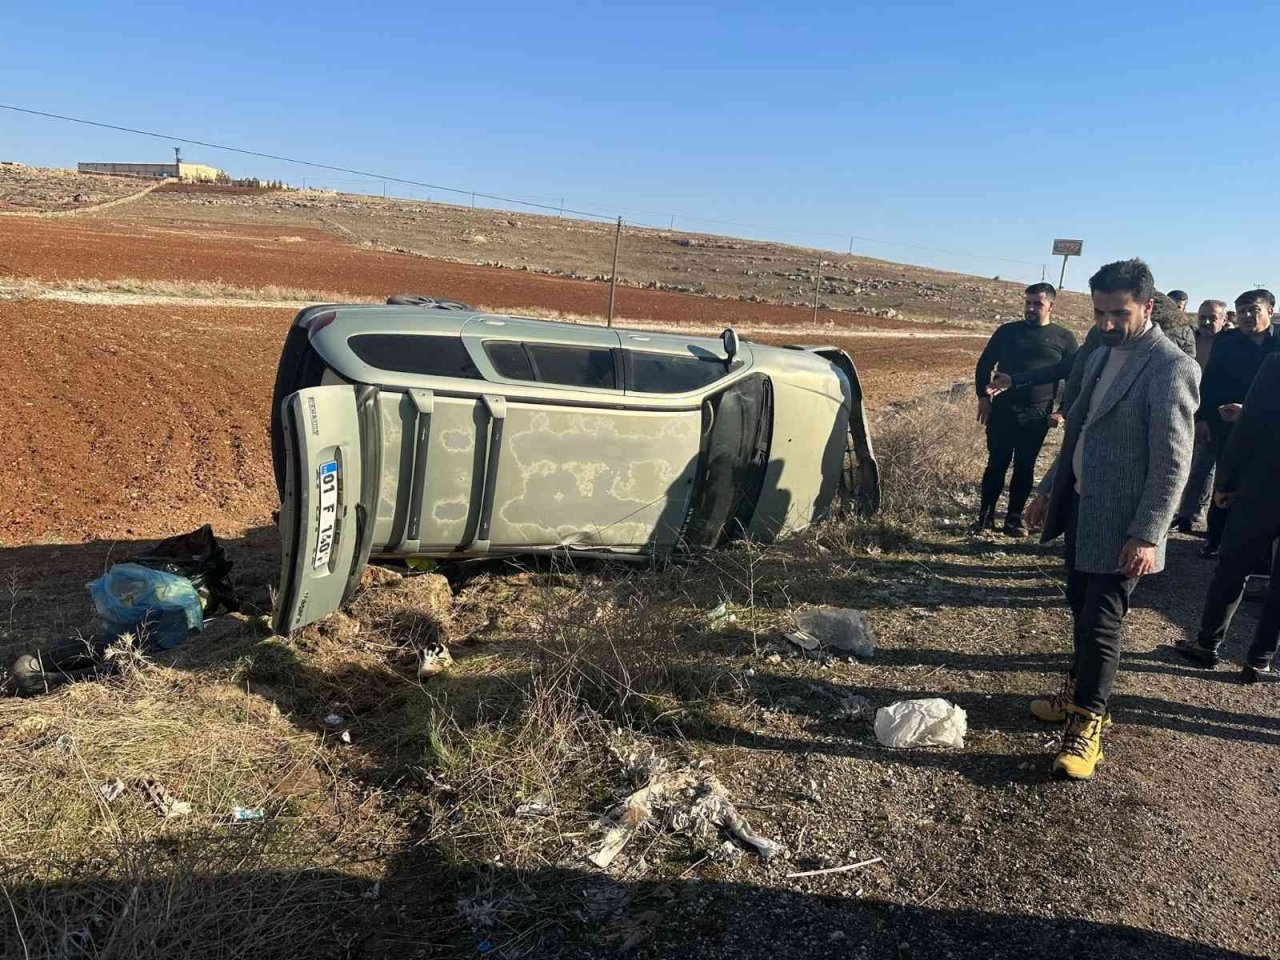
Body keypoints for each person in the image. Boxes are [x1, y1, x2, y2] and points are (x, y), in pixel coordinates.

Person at [1024, 258, 1198, 780]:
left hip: (1125, 525)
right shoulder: (1101, 352)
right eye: (1099, 312)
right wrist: (1047, 490)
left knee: (1101, 623)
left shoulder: (1170, 367)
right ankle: (1078, 691)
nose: (1106, 323)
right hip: (1081, 506)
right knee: (1079, 606)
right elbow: (1076, 430)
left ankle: (1087, 725)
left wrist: (1148, 533)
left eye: (1118, 313)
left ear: (1148, 307)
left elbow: (1173, 461)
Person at [1175, 354, 1280, 682]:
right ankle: (1259, 660)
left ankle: (1208, 644)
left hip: (1262, 488)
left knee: (1233, 568)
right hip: (1262, 486)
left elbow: (1250, 425)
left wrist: (1228, 481)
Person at [972, 283, 1078, 535]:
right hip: (1002, 410)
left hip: (1037, 413)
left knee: (1025, 466)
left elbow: (1075, 377)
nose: (1030, 308)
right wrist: (983, 398)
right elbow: (984, 364)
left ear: (1051, 306)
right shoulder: (1007, 332)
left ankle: (1014, 518)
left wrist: (1062, 411)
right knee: (996, 463)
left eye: (1037, 304)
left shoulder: (1064, 338)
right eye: (1028, 303)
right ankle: (985, 518)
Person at [1194, 289, 1280, 558]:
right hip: (1227, 427)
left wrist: (1252, 410)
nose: (1245, 316)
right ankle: (1215, 540)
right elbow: (1210, 381)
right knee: (1225, 481)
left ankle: (1259, 549)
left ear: (1270, 311)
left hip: (1271, 430)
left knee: (1262, 486)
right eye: (1241, 311)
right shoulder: (1227, 341)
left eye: (1253, 309)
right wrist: (1203, 418)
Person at [1171, 300, 1229, 533]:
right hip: (1186, 403)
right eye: (1202, 316)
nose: (1206, 321)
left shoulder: (1229, 343)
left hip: (1214, 409)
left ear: (1224, 320)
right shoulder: (1189, 338)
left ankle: (1191, 513)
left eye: (1212, 318)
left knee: (1204, 464)